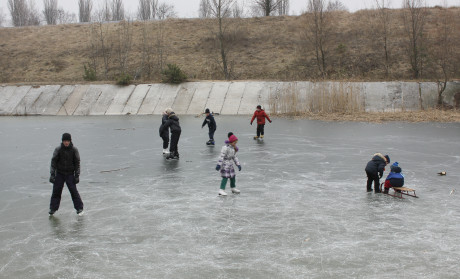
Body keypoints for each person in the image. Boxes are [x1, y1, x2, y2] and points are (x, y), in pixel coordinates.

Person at [49, 133, 84, 216]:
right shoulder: (58, 149)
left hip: (70, 174)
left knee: (73, 191)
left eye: (67, 141)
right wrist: (52, 174)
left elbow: (77, 163)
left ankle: (79, 208)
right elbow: (53, 162)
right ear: (62, 141)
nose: (66, 143)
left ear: (70, 141)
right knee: (56, 191)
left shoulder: (74, 150)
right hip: (60, 174)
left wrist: (77, 175)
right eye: (65, 141)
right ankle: (53, 208)